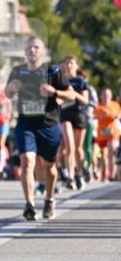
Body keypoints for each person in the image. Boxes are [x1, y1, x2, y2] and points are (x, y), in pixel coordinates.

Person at [5, 36, 74, 221]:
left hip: (49, 125)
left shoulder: (54, 71)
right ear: (25, 51)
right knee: (27, 161)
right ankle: (29, 204)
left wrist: (54, 92)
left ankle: (49, 199)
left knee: (49, 166)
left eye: (36, 47)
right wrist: (10, 88)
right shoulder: (17, 71)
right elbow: (8, 94)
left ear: (43, 51)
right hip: (26, 124)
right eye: (29, 47)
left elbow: (71, 95)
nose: (32, 50)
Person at [58, 56, 89, 190]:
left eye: (71, 63)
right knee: (69, 146)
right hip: (65, 115)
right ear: (63, 66)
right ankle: (70, 177)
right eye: (66, 63)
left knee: (78, 149)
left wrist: (73, 94)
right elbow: (57, 99)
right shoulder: (60, 81)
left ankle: (80, 173)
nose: (69, 66)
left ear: (76, 66)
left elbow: (85, 100)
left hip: (79, 115)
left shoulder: (80, 81)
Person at [93, 88, 121, 182]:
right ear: (101, 96)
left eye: (108, 95)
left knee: (111, 151)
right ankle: (103, 175)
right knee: (103, 156)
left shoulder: (115, 105)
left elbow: (119, 114)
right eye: (104, 95)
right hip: (101, 134)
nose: (106, 97)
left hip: (113, 132)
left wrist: (118, 116)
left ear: (111, 96)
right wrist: (102, 115)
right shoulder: (98, 106)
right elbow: (94, 117)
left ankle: (112, 175)